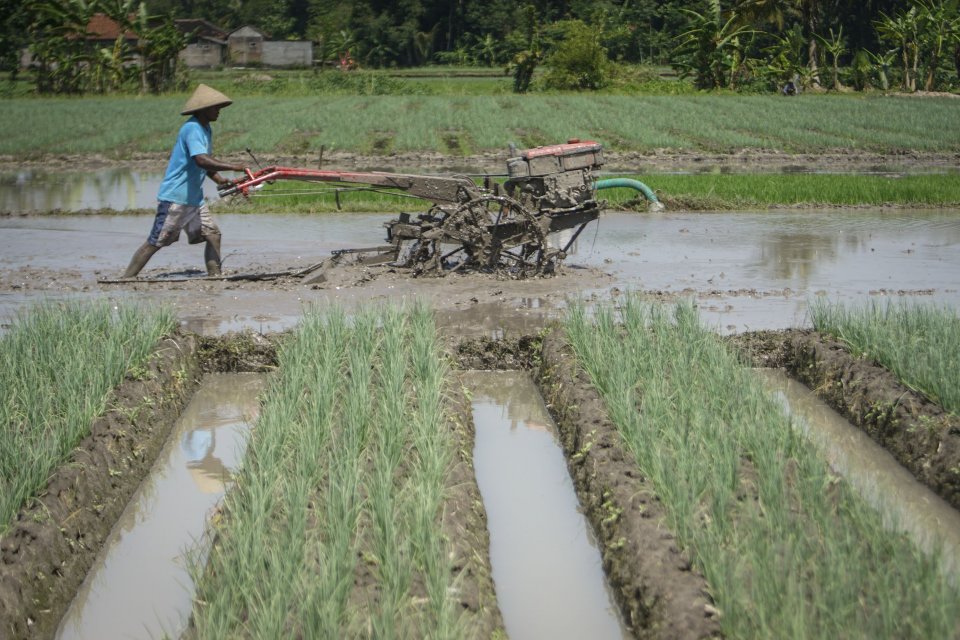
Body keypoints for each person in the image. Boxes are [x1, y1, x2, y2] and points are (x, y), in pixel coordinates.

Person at [123, 84, 248, 278]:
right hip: (176, 197)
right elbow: (201, 159)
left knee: (213, 234)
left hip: (194, 199)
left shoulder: (205, 129)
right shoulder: (192, 128)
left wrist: (220, 180)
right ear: (203, 109)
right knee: (157, 241)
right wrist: (233, 166)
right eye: (215, 108)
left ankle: (215, 276)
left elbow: (203, 164)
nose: (219, 112)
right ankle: (126, 278)